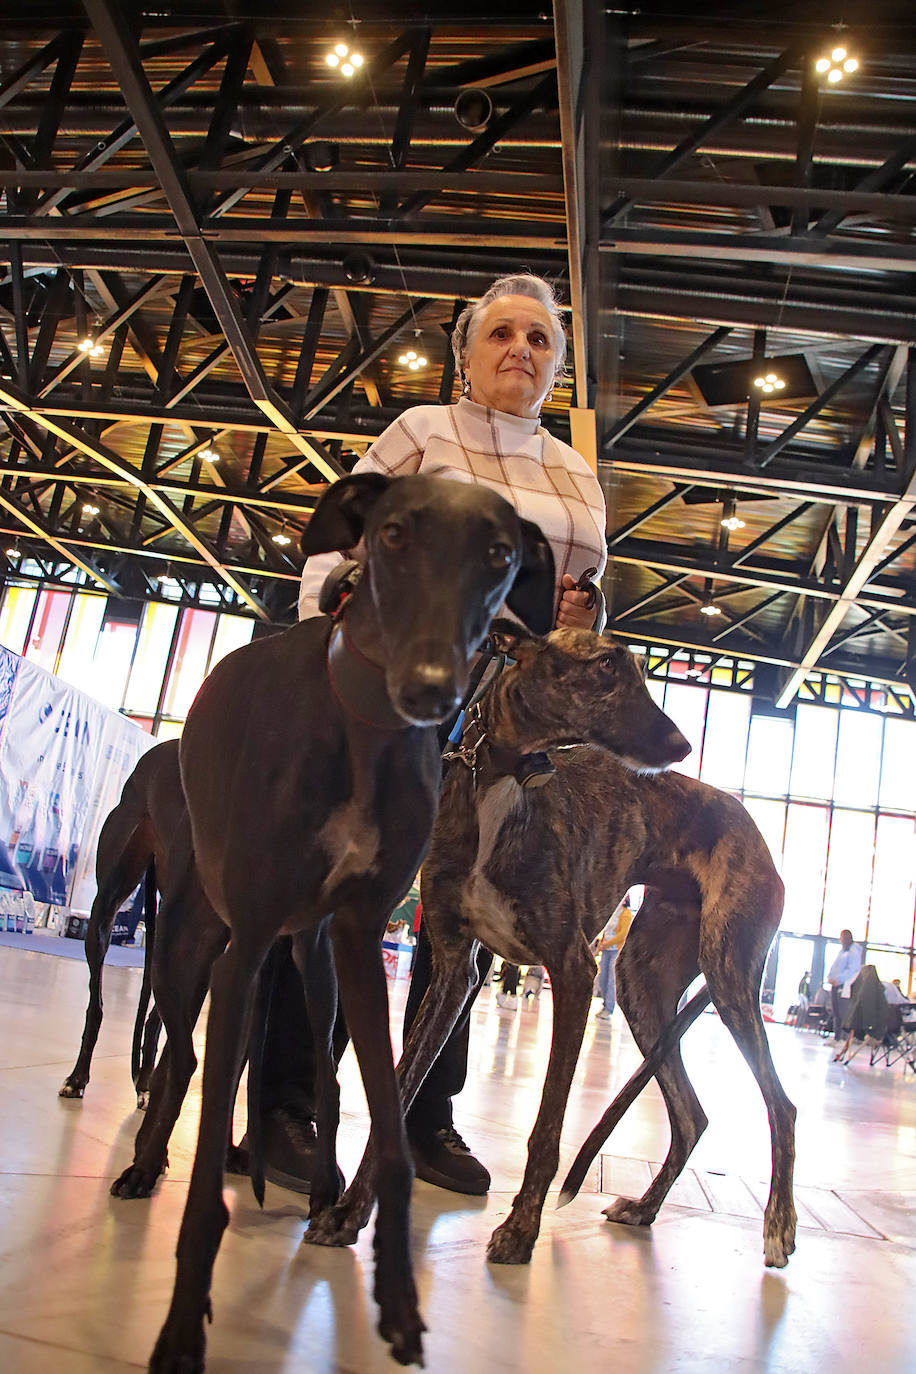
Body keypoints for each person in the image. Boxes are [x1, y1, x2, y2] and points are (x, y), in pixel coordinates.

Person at [256, 272, 608, 1197]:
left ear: (555, 365)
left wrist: (582, 608)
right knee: (344, 890)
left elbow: (576, 596)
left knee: (462, 911)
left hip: (499, 719)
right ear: (467, 353)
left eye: (539, 339)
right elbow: (343, 540)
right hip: (393, 697)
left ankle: (424, 1114)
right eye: (501, 334)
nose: (519, 351)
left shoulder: (574, 470)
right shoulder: (423, 433)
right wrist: (319, 625)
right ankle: (289, 1109)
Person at [594, 896, 633, 1022]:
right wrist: (601, 944)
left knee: (611, 980)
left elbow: (623, 935)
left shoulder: (626, 914)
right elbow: (606, 931)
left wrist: (608, 943)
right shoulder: (612, 912)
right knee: (603, 978)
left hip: (616, 951)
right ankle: (605, 1004)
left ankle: (609, 1008)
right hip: (606, 950)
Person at [827, 929, 863, 1043]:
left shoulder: (853, 952)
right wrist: (830, 977)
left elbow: (851, 970)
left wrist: (838, 980)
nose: (840, 940)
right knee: (836, 1012)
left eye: (842, 937)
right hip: (835, 984)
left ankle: (842, 1039)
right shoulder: (842, 951)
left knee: (842, 1012)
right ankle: (836, 1037)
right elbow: (835, 966)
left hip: (844, 986)